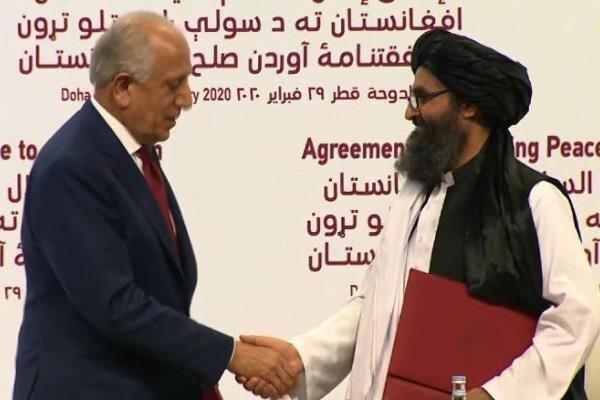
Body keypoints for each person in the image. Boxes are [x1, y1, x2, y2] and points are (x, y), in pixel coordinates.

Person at [238, 29, 600, 400]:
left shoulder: (536, 200)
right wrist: (300, 359)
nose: (410, 112)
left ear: (468, 105)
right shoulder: (414, 199)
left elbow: (577, 316)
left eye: (423, 98)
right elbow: (379, 308)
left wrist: (496, 394)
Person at [13, 11, 297, 400]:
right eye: (173, 85)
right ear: (123, 88)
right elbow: (116, 306)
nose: (187, 99)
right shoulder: (72, 166)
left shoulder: (133, 154)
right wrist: (231, 354)